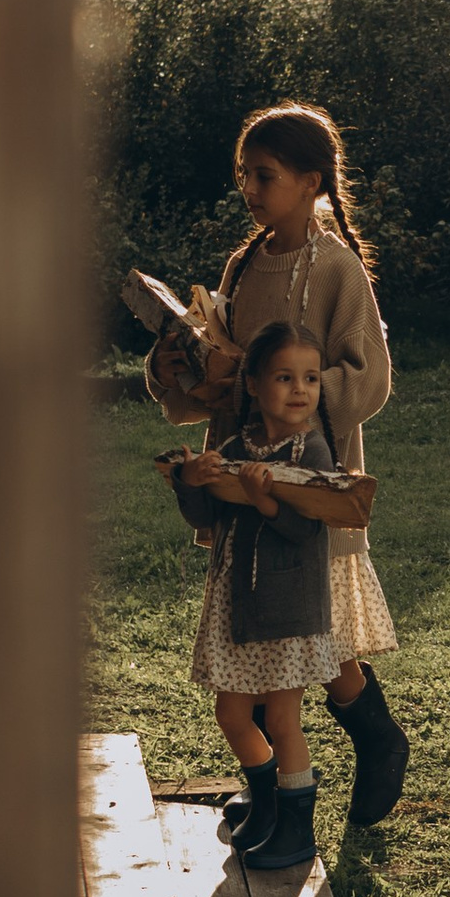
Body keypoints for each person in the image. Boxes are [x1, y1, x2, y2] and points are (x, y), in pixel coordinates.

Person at [145, 102, 411, 820]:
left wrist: (288, 401)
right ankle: (269, 788)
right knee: (266, 621)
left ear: (312, 181)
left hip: (304, 479)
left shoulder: (337, 269)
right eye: (244, 175)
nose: (249, 189)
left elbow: (370, 378)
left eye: (264, 175)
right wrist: (180, 368)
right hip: (242, 479)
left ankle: (376, 739)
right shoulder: (244, 264)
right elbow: (226, 374)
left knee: (310, 626)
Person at [169, 323, 375, 870]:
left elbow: (309, 529)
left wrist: (265, 501)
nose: (300, 389)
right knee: (232, 714)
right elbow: (207, 515)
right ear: (255, 384)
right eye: (285, 378)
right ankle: (266, 806)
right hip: (237, 604)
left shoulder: (313, 449)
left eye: (310, 378)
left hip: (289, 608)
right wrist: (191, 480)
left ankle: (297, 831)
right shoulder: (237, 447)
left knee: (282, 721)